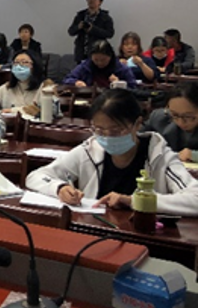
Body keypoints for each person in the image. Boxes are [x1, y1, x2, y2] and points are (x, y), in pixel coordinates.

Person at [26, 89, 197, 216]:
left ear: (137, 124)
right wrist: (60, 188)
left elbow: (195, 198)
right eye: (99, 130)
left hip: (143, 236)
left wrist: (135, 201)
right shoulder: (90, 150)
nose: (107, 137)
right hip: (96, 230)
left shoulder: (159, 156)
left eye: (116, 130)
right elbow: (36, 176)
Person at [144, 82, 198, 164]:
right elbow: (134, 140)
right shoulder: (159, 118)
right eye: (174, 115)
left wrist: (194, 155)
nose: (180, 122)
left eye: (188, 116)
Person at [63, 40, 137, 89]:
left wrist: (119, 85)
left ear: (110, 57)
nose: (99, 63)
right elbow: (67, 79)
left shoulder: (121, 68)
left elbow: (133, 88)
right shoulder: (85, 66)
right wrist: (76, 82)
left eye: (103, 60)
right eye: (96, 60)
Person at [67, 0, 114, 64]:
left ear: (100, 2)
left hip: (97, 51)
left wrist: (93, 29)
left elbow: (110, 33)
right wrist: (78, 27)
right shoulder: (80, 15)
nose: (91, 1)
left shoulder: (105, 17)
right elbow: (70, 31)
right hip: (81, 51)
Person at [0, 49, 47, 114]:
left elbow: (50, 112)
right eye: (16, 63)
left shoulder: (46, 87)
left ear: (35, 66)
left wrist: (13, 111)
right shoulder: (4, 89)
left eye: (24, 62)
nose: (19, 66)